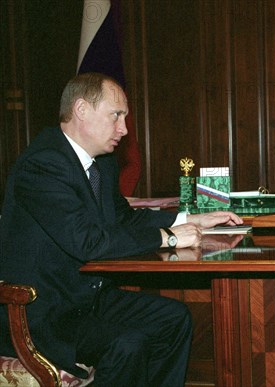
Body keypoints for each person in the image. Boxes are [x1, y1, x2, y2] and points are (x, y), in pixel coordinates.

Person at [0, 72, 243, 386]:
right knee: (127, 343)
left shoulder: (102, 163)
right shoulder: (43, 163)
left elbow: (123, 219)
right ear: (82, 109)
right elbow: (87, 242)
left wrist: (187, 220)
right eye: (116, 116)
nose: (124, 129)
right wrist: (166, 237)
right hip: (40, 313)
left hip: (85, 299)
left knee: (174, 319)